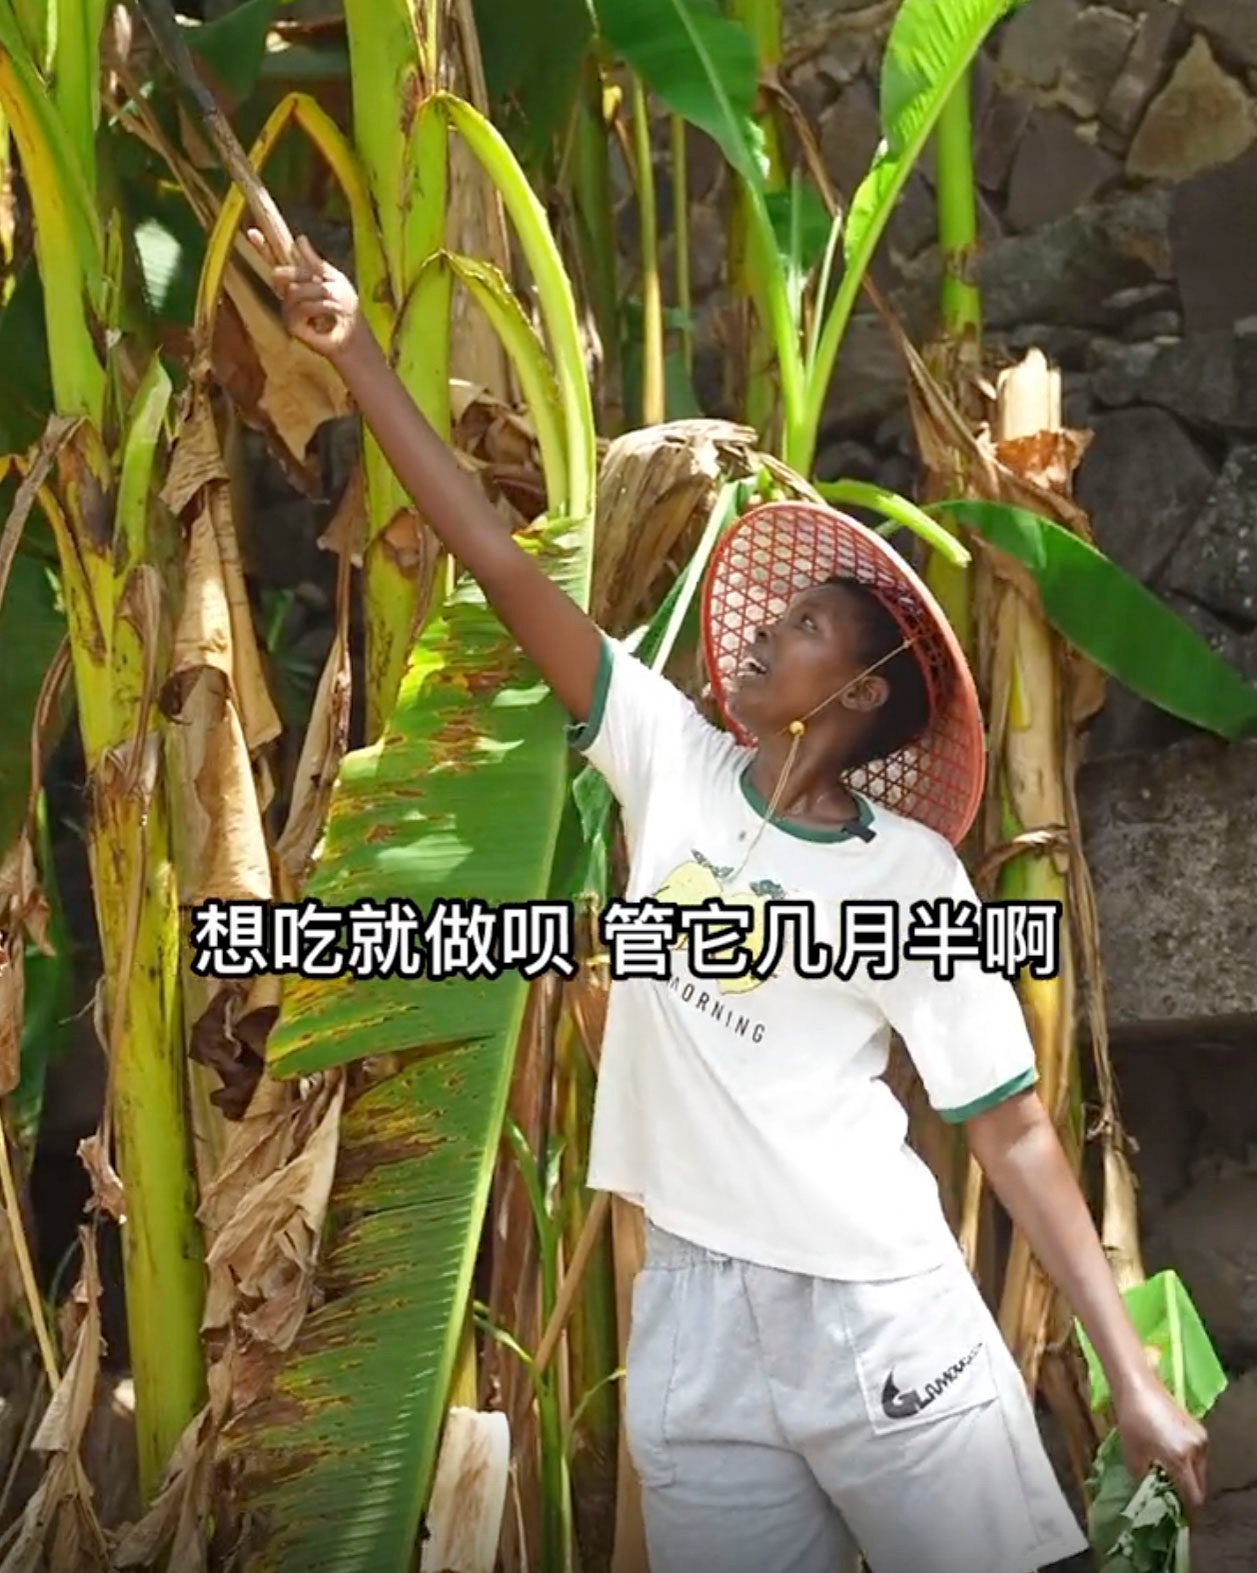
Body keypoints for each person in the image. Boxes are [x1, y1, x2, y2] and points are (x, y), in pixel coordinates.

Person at [258, 231, 1208, 1573]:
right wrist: (352, 353)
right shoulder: (669, 761)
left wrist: (1129, 1376)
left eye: (806, 627)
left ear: (863, 693)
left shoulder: (905, 878)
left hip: (875, 1308)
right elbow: (502, 562)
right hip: (693, 1321)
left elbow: (1013, 1134)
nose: (761, 632)